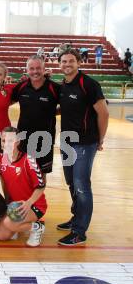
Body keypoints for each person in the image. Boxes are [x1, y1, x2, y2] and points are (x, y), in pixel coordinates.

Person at [57, 49, 109, 245]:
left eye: (71, 61)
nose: (67, 64)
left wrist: (100, 140)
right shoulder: (63, 84)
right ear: (59, 64)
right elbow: (67, 108)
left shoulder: (89, 84)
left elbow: (103, 113)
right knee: (71, 182)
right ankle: (76, 218)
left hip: (85, 143)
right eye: (64, 61)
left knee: (81, 186)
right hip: (67, 141)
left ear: (79, 63)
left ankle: (80, 231)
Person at [0, 126, 47, 247]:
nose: (6, 144)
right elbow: (5, 183)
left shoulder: (28, 160)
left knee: (9, 223)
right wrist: (8, 203)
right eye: (4, 141)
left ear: (18, 141)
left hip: (34, 205)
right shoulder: (0, 159)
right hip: (15, 204)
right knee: (1, 236)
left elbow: (41, 186)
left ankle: (37, 227)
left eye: (10, 141)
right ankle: (17, 225)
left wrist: (28, 203)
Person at [12, 55, 60, 182]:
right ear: (27, 70)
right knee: (24, 171)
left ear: (44, 69)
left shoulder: (54, 88)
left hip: (45, 139)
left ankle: (38, 201)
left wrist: (50, 112)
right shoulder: (21, 87)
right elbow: (6, 101)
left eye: (38, 68)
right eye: (31, 68)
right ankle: (26, 201)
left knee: (41, 174)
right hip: (24, 138)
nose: (35, 71)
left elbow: (67, 106)